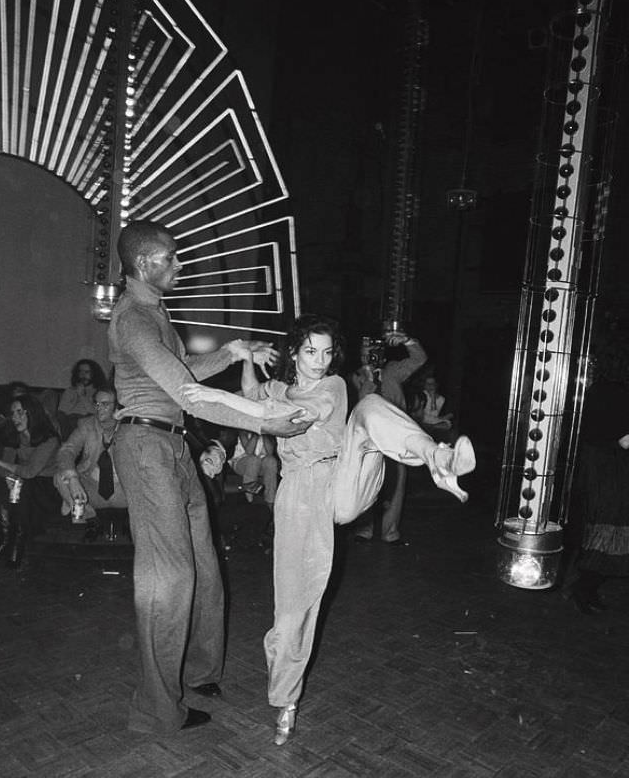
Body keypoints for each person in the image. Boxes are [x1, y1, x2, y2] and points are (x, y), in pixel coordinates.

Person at [182, 314, 475, 747]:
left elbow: (289, 418)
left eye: (325, 352)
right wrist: (244, 357)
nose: (319, 361)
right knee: (294, 607)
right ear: (295, 353)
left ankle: (437, 458)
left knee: (372, 408)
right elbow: (254, 398)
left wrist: (213, 394)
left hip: (342, 480)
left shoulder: (334, 387)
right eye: (310, 351)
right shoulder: (279, 388)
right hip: (299, 494)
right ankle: (286, 702)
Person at [108, 219, 312, 736]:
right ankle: (155, 711)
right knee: (167, 581)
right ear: (144, 264)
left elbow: (185, 369)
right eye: (172, 258)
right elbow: (187, 392)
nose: (181, 265)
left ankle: (198, 673)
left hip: (173, 447)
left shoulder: (157, 313)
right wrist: (266, 421)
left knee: (204, 566)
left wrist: (234, 351)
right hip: (146, 446)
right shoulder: (133, 318)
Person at [352, 331, 427, 544]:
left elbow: (419, 359)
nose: (369, 355)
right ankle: (364, 529)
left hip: (395, 435)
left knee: (397, 483)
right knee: (365, 483)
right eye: (365, 351)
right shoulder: (356, 377)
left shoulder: (393, 371)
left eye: (373, 351)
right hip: (368, 438)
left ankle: (390, 531)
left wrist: (408, 340)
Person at [566, 378, 629, 614]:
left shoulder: (602, 391)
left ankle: (585, 589)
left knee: (601, 532)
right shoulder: (616, 393)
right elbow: (624, 440)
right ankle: (583, 590)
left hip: (600, 471)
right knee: (607, 533)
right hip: (608, 475)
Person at [0, 394, 61, 568]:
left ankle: (17, 546)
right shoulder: (14, 436)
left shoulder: (49, 439)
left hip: (46, 489)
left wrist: (5, 467)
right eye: (12, 413)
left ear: (33, 413)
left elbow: (30, 472)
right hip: (22, 485)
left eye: (20, 412)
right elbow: (2, 468)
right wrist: (8, 475)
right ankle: (5, 540)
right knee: (4, 485)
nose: (15, 418)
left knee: (24, 485)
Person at [54, 387, 127, 536]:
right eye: (96, 404)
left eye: (105, 404)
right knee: (60, 477)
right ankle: (90, 518)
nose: (99, 408)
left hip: (125, 491)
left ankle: (134, 522)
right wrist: (73, 478)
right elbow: (66, 450)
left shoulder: (130, 427)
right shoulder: (86, 425)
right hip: (91, 490)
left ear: (118, 406)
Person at [57, 359, 107, 438]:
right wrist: (75, 396)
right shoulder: (70, 391)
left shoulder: (100, 392)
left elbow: (96, 412)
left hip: (86, 423)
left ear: (94, 374)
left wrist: (82, 396)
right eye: (80, 372)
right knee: (67, 417)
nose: (83, 375)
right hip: (69, 423)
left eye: (87, 372)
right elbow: (62, 410)